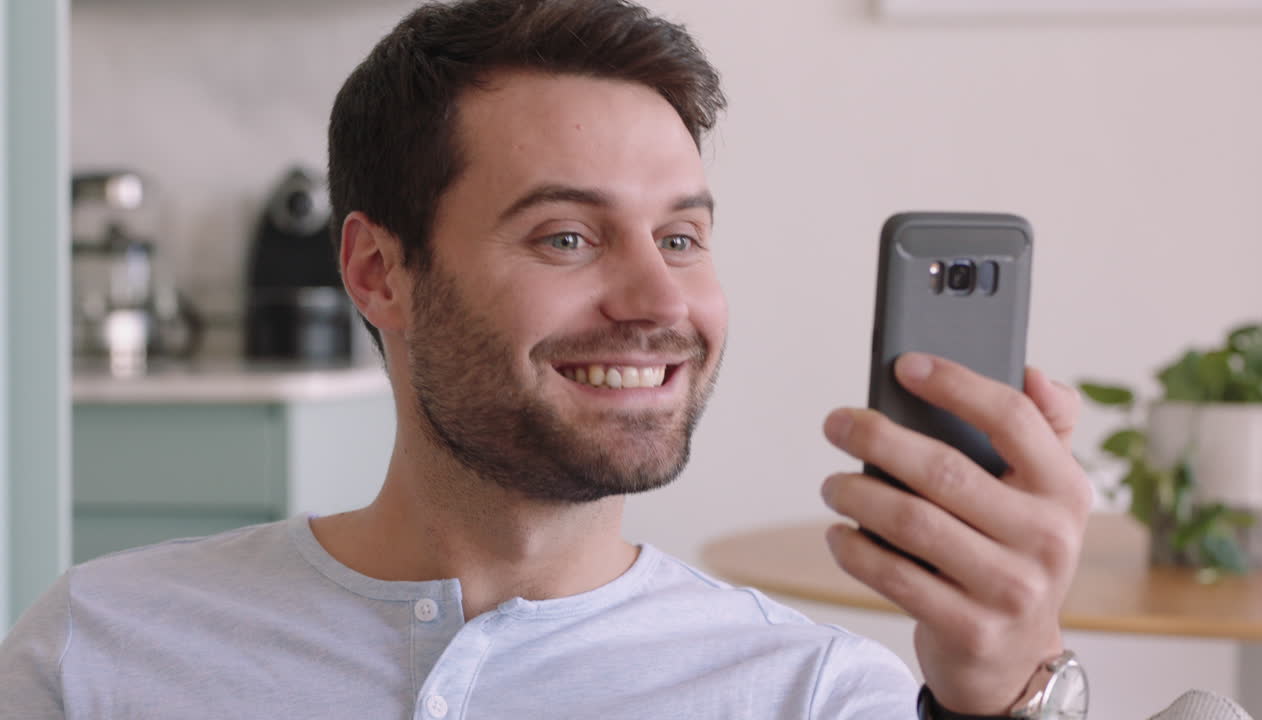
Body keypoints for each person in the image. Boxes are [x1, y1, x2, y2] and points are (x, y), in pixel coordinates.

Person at [0, 1, 1092, 717]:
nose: (660, 299)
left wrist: (1015, 694)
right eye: (566, 237)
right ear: (380, 272)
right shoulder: (101, 654)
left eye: (680, 237)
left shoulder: (807, 695)